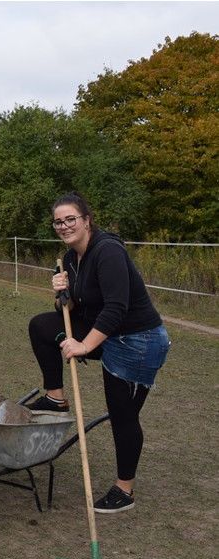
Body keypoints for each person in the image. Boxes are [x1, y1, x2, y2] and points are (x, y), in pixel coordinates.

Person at [27, 191, 170, 513]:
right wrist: (62, 296)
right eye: (58, 222)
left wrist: (84, 345)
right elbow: (76, 307)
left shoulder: (107, 252)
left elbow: (116, 308)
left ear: (87, 220)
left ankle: (124, 490)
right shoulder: (70, 259)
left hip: (137, 341)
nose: (64, 226)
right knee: (42, 326)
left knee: (123, 415)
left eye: (70, 219)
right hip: (108, 334)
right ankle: (55, 397)